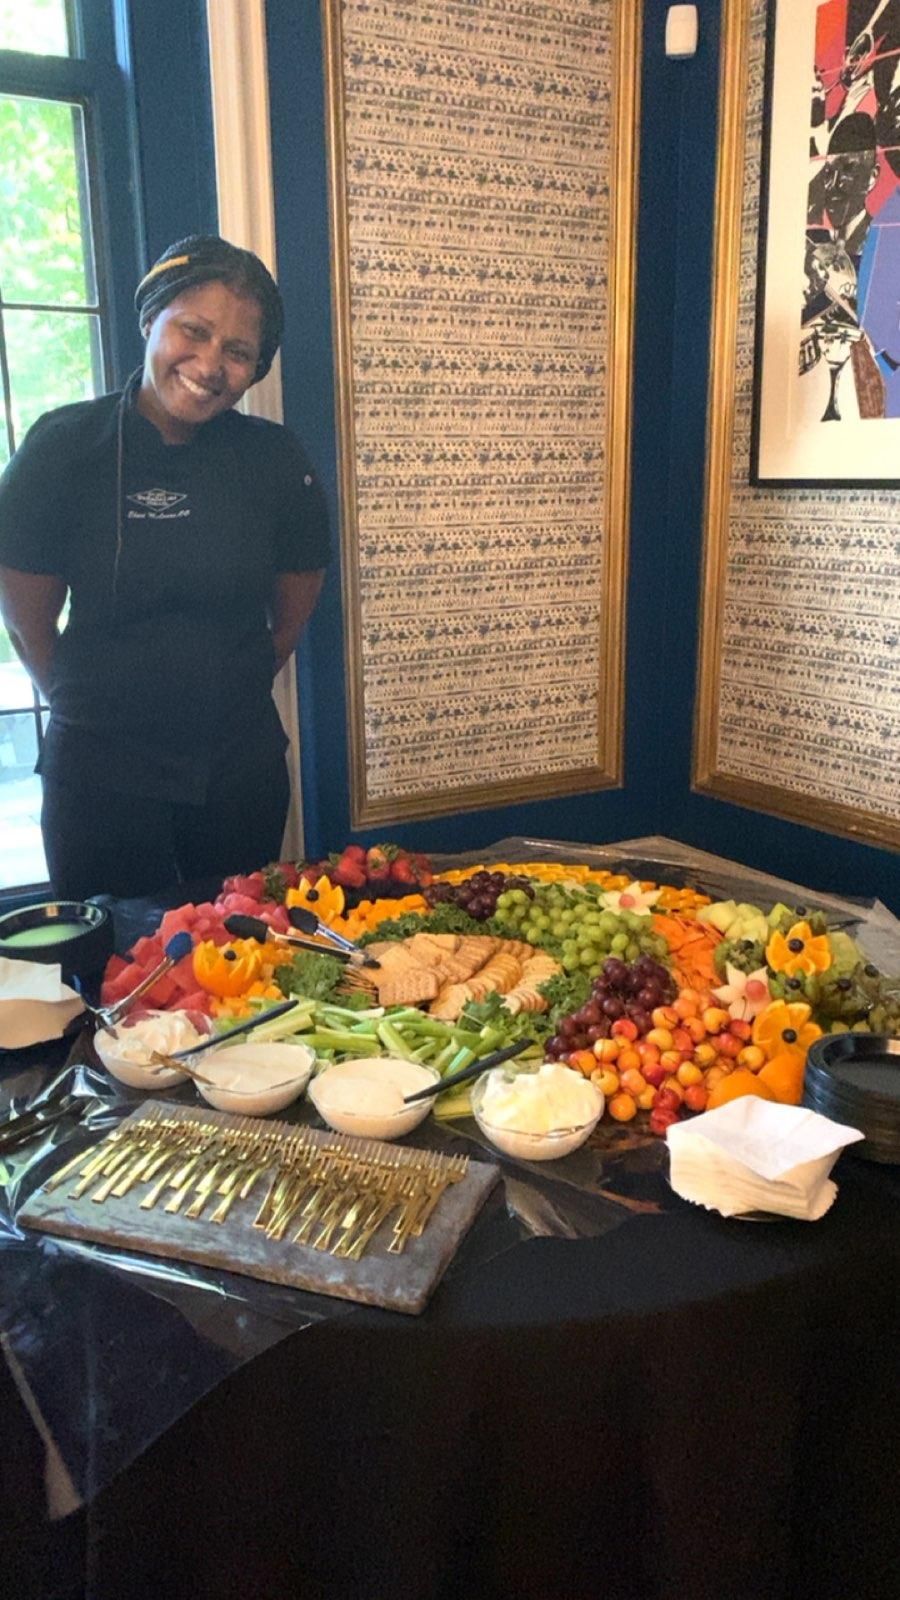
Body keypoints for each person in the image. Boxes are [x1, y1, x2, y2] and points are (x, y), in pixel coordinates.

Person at [0, 235, 329, 900]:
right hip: (98, 777)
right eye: (194, 331)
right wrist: (94, 707)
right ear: (151, 317)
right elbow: (27, 622)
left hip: (238, 772)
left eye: (238, 351)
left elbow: (290, 619)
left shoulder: (275, 461)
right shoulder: (64, 448)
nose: (210, 365)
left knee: (242, 949)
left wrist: (223, 693)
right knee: (111, 955)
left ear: (255, 367)